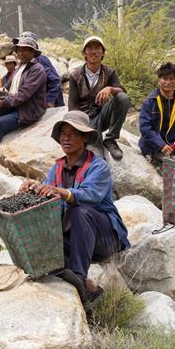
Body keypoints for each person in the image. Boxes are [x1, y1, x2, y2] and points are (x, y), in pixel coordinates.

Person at [20, 111, 130, 307]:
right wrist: (32, 190)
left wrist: (60, 192)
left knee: (81, 211)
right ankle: (87, 286)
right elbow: (47, 200)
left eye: (73, 133)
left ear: (85, 138)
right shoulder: (57, 168)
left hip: (103, 239)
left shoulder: (99, 167)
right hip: (77, 240)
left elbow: (90, 196)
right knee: (44, 239)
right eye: (63, 133)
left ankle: (79, 275)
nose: (66, 138)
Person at [0, 36, 46, 161]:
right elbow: (8, 86)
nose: (21, 52)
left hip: (27, 110)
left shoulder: (37, 70)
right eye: (19, 49)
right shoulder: (20, 67)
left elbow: (23, 95)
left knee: (0, 123)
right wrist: (1, 92)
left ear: (33, 52)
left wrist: (3, 103)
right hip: (15, 105)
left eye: (25, 49)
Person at [68, 35, 130, 161]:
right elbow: (72, 106)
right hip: (85, 120)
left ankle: (110, 139)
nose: (94, 52)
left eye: (97, 48)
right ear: (84, 54)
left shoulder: (109, 72)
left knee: (123, 98)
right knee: (97, 156)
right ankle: (94, 143)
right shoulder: (75, 75)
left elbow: (123, 92)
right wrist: (81, 127)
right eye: (89, 49)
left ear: (103, 53)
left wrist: (110, 89)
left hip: (103, 115)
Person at [20, 31, 64, 107]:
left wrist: (49, 100)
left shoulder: (41, 60)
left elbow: (55, 81)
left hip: (52, 104)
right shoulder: (24, 63)